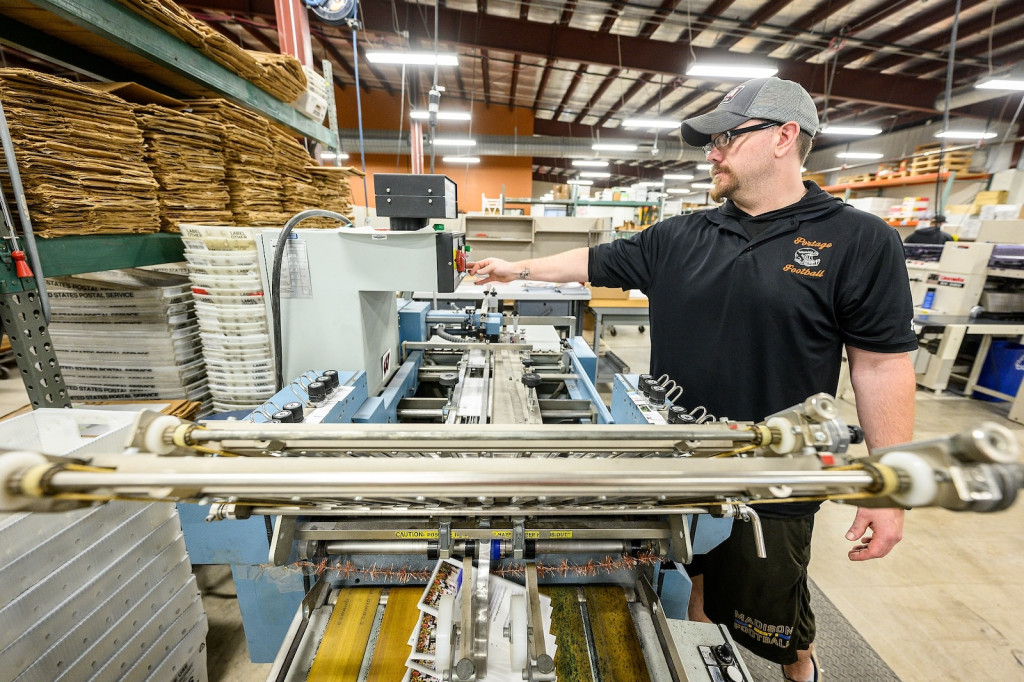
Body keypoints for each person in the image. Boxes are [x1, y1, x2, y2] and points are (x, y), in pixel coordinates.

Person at [469, 76, 918, 682]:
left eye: (727, 138)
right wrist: (515, 267)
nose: (712, 151)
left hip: (772, 473)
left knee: (775, 618)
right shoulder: (681, 236)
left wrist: (888, 487)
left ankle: (800, 672)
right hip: (678, 462)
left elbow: (882, 365)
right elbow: (592, 262)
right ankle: (703, 661)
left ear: (784, 137)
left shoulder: (859, 240)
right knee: (691, 581)